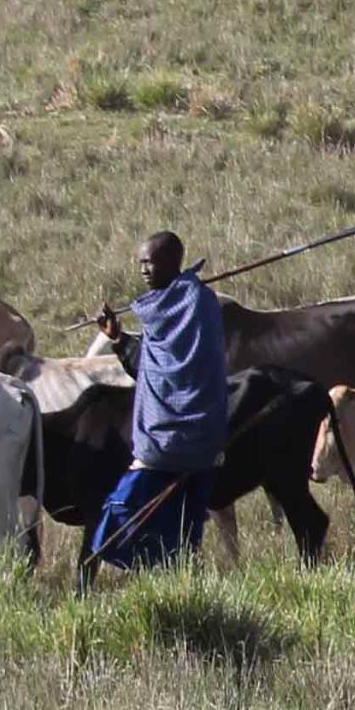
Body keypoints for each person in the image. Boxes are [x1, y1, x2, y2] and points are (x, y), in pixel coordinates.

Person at [89, 231, 230, 570]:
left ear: (171, 261)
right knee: (177, 536)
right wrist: (119, 338)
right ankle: (168, 585)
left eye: (149, 262)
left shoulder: (197, 303)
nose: (143, 270)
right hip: (192, 444)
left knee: (115, 525)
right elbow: (153, 370)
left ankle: (166, 579)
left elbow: (189, 372)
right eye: (140, 263)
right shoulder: (165, 310)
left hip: (175, 444)